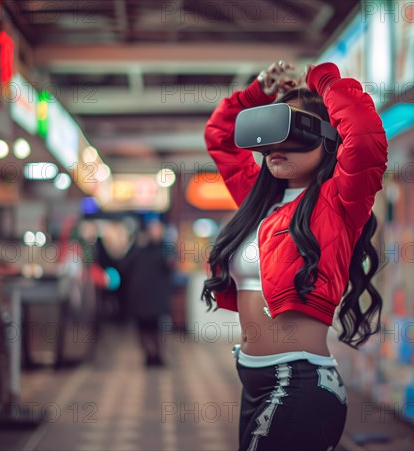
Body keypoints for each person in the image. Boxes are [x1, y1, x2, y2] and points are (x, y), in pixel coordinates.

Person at [202, 60, 388, 450]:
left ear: (328, 141)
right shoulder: (259, 200)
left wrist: (321, 79)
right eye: (269, 134)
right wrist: (258, 91)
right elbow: (220, 136)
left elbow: (366, 138)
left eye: (294, 133)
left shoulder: (338, 204)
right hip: (252, 379)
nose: (276, 148)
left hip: (300, 382)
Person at [120, 218, 175, 366]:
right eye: (153, 229)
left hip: (157, 297)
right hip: (140, 296)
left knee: (158, 328)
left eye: (158, 229)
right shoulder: (138, 249)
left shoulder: (166, 249)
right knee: (142, 327)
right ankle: (148, 354)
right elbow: (123, 266)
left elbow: (171, 266)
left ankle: (158, 354)